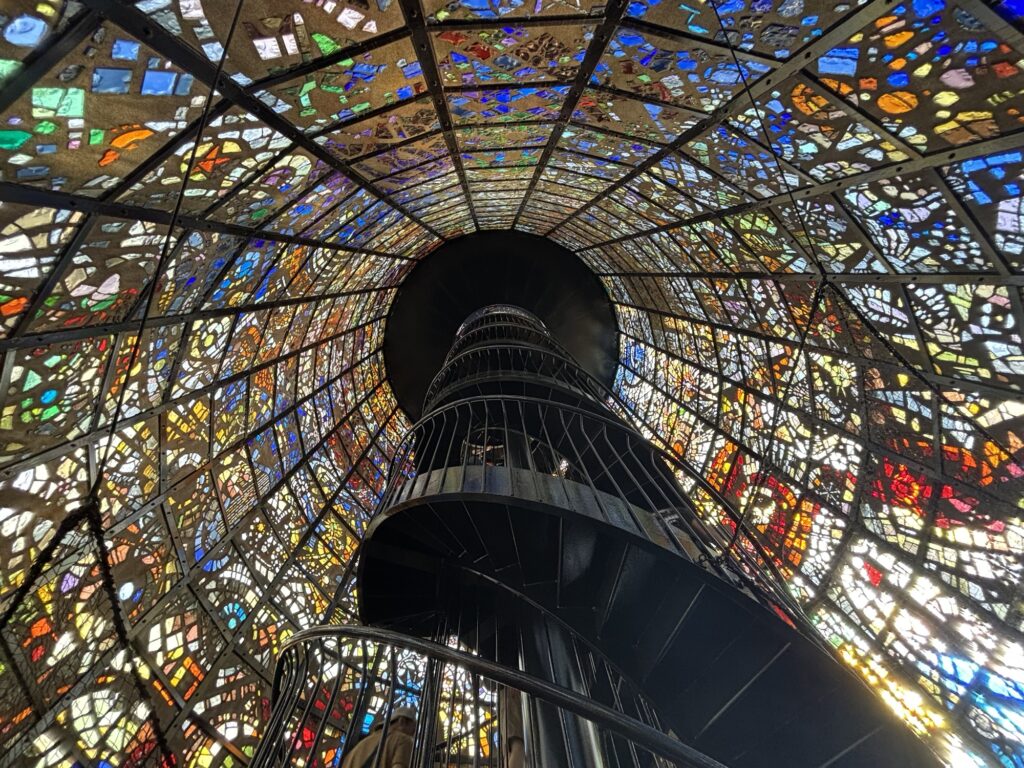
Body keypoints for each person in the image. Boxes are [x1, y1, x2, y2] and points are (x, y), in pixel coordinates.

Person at [342, 706, 417, 768]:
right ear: (402, 721)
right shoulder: (403, 740)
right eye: (413, 730)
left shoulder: (361, 745)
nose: (413, 735)